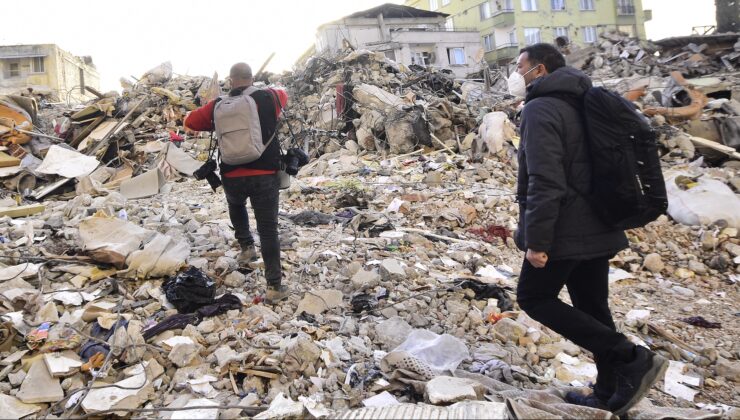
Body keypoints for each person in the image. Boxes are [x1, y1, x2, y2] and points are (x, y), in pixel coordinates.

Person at [511, 43, 667, 415]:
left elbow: (546, 181)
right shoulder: (585, 101)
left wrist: (538, 240)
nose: (516, 74)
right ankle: (608, 389)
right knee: (592, 306)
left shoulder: (540, 108)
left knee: (534, 298)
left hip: (566, 227)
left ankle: (630, 357)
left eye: (520, 67)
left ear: (541, 70)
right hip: (599, 220)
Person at [184, 62, 289, 304]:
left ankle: (246, 247)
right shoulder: (270, 96)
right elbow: (285, 95)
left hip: (232, 174)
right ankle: (274, 286)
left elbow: (189, 123)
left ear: (230, 81)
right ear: (251, 78)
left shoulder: (219, 105)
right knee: (268, 228)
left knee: (236, 205)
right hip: (264, 174)